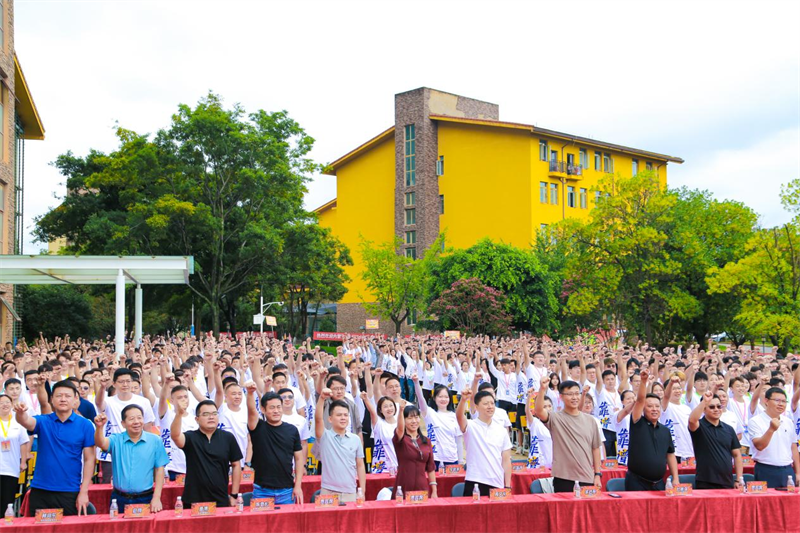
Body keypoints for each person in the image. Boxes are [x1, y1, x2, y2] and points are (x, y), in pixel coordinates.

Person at [14, 380, 95, 516]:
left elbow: (89, 459)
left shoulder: (85, 425)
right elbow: (26, 421)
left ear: (76, 399)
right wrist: (20, 413)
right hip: (40, 489)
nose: (63, 399)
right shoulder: (44, 421)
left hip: (70, 490)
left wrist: (84, 491)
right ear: (52, 399)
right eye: (59, 395)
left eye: (67, 396)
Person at [94, 405, 169, 512]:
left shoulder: (155, 441)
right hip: (119, 498)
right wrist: (99, 427)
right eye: (131, 419)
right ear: (123, 423)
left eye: (139, 418)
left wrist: (156, 498)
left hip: (145, 497)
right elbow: (101, 443)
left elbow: (159, 470)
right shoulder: (116, 439)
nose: (136, 422)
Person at [170, 399, 243, 507]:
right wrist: (179, 415)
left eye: (214, 413)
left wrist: (234, 494)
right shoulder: (190, 437)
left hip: (220, 499)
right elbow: (175, 436)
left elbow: (236, 465)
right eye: (206, 414)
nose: (211, 417)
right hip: (193, 500)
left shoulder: (228, 438)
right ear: (197, 419)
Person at [534, 379, 602, 493]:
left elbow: (595, 449)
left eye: (577, 393)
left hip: (587, 477)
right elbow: (539, 410)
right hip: (563, 477)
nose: (574, 397)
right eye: (570, 394)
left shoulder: (590, 421)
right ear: (561, 397)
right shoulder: (556, 418)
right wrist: (542, 389)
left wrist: (597, 474)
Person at [244, 383, 304, 504]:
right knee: (259, 523)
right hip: (262, 491)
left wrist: (297, 486)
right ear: (263, 409)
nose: (276, 411)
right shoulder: (257, 427)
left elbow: (298, 459)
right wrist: (250, 393)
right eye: (272, 408)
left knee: (287, 523)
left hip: (287, 490)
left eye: (278, 407)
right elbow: (251, 410)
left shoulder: (292, 430)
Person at [96, 368, 156, 483]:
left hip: (137, 452)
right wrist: (102, 387)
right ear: (114, 384)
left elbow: (147, 428)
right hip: (111, 454)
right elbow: (99, 403)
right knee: (110, 488)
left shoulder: (143, 402)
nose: (125, 384)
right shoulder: (108, 401)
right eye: (121, 381)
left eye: (128, 381)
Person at [625, 370, 678, 491]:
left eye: (657, 406)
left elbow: (670, 454)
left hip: (659, 483)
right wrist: (644, 382)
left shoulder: (665, 431)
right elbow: (640, 400)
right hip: (636, 482)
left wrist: (675, 477)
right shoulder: (637, 422)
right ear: (643, 409)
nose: (654, 409)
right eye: (649, 406)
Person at [456, 388, 512, 496]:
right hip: (475, 480)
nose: (490, 406)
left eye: (492, 403)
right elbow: (459, 417)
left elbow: (506, 460)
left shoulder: (501, 430)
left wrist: (507, 485)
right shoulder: (471, 426)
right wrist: (463, 400)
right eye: (486, 404)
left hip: (497, 482)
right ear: (476, 407)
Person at [315, 387, 366, 502]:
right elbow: (318, 419)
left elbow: (360, 465)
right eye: (339, 415)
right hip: (328, 491)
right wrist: (322, 398)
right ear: (330, 419)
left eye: (345, 415)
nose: (343, 418)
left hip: (350, 492)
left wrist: (362, 490)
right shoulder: (325, 436)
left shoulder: (355, 439)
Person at [688, 391, 744, 490]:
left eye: (719, 406)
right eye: (712, 407)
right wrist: (704, 401)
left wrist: (739, 479)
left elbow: (737, 454)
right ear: (704, 409)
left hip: (727, 480)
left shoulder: (729, 429)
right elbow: (692, 420)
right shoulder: (699, 426)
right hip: (705, 481)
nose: (716, 409)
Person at [748, 387, 800, 488]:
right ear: (766, 401)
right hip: (766, 469)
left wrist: (798, 473)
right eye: (777, 400)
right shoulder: (755, 421)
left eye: (784, 401)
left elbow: (793, 447)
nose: (781, 404)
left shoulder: (788, 422)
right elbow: (759, 446)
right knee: (766, 502)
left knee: (789, 502)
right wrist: (771, 429)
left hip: (787, 470)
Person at [392, 402, 437, 497]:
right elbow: (400, 429)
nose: (414, 421)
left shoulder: (426, 441)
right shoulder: (401, 439)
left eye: (416, 417)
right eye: (409, 418)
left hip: (422, 487)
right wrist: (400, 411)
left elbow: (430, 468)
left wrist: (434, 491)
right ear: (404, 420)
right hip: (404, 486)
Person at [414, 380, 460, 469]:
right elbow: (420, 398)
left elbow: (458, 440)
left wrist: (460, 461)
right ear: (434, 398)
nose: (443, 399)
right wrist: (416, 383)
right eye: (440, 396)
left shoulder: (454, 416)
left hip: (451, 458)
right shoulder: (430, 413)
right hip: (434, 458)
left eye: (446, 397)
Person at [0, 394, 29, 512]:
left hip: (11, 468)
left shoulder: (18, 422)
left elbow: (23, 443)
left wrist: (23, 462)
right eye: (1, 403)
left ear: (12, 405)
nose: (4, 405)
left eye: (7, 402)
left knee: (7, 502)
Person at [362, 394, 398, 474]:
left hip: (398, 465)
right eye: (385, 406)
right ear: (380, 410)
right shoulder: (379, 424)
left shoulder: (401, 425)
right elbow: (372, 412)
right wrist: (366, 400)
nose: (389, 409)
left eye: (391, 405)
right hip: (381, 468)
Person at [278, 388, 311, 471]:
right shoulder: (274, 419)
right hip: (278, 464)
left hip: (297, 465)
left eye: (290, 397)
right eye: (283, 397)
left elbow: (304, 444)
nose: (287, 399)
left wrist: (303, 465)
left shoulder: (301, 420)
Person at [524, 390, 552, 469]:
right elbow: (527, 411)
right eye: (544, 407)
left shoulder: (555, 422)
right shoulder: (535, 422)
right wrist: (529, 397)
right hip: (536, 462)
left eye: (549, 406)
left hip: (551, 462)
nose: (548, 409)